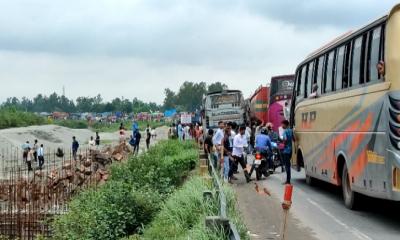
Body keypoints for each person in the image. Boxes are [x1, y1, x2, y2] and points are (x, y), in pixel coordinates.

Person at [281, 120, 295, 184]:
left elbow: (285, 139)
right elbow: (294, 139)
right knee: (288, 165)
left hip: (286, 151)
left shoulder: (285, 131)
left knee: (287, 166)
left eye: (282, 124)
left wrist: (283, 144)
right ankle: (288, 179)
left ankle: (288, 180)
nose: (282, 126)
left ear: (285, 125)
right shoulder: (291, 130)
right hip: (290, 150)